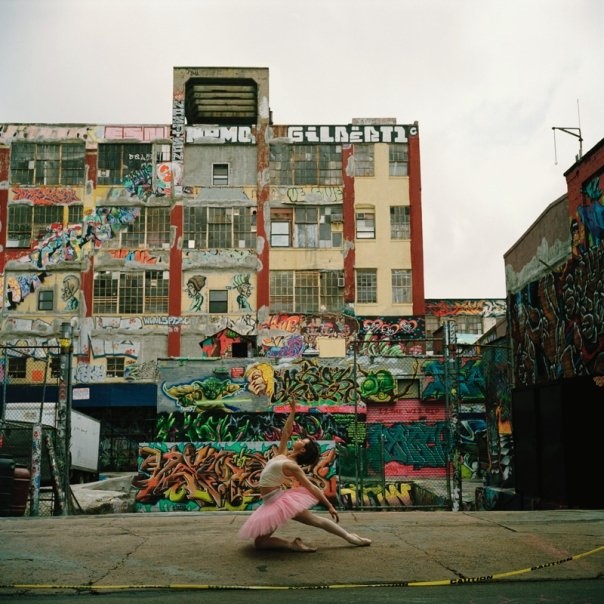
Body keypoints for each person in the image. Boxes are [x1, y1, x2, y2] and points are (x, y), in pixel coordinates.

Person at [238, 399, 371, 552]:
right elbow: (286, 432)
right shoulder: (283, 455)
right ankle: (293, 545)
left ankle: (350, 537)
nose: (299, 439)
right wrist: (293, 411)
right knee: (260, 543)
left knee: (316, 521)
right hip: (270, 503)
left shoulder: (291, 466)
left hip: (279, 502)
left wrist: (329, 505)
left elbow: (311, 487)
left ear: (302, 450)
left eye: (302, 441)